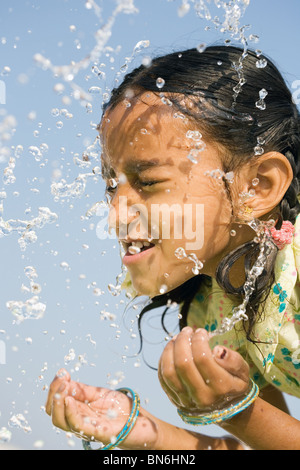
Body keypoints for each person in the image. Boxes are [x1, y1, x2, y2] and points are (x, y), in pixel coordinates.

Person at [46, 46, 300, 450]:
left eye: (147, 183)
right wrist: (143, 432)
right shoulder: (213, 312)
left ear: (259, 186)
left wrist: (236, 412)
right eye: (113, 186)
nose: (114, 215)